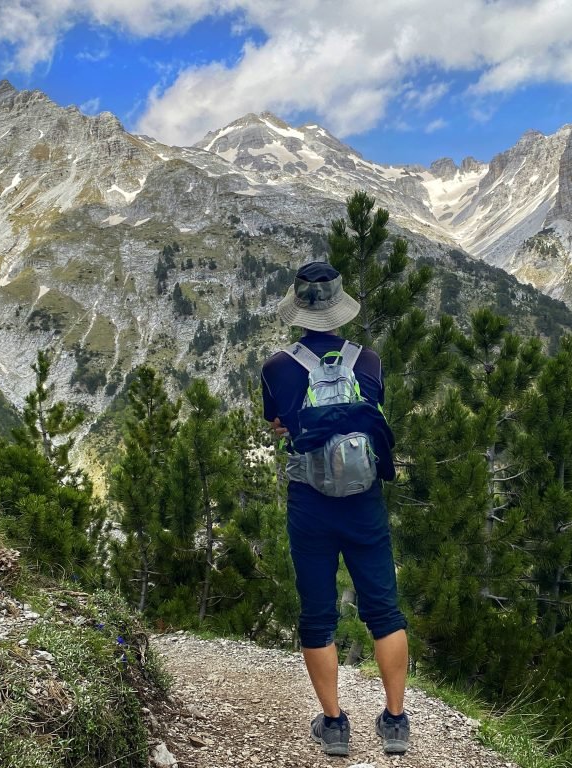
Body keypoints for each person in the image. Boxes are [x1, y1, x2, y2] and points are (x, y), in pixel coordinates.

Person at [260, 261, 410, 756]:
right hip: (364, 499)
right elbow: (375, 416)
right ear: (340, 308)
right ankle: (394, 722)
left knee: (318, 614)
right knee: (384, 611)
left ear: (298, 308)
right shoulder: (369, 361)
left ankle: (334, 725)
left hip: (310, 504)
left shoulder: (277, 368)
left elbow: (281, 424)